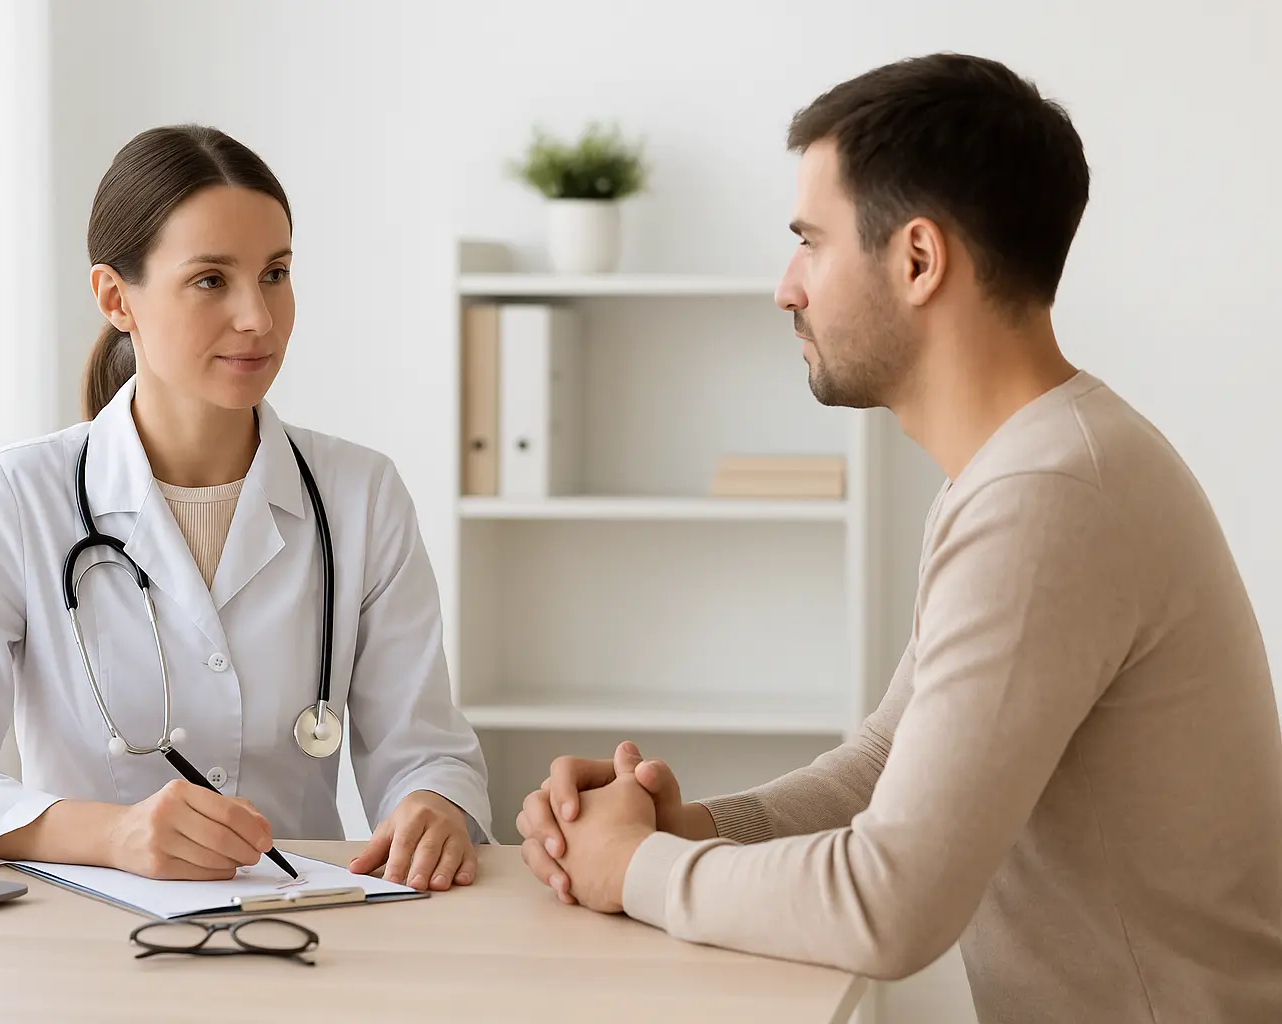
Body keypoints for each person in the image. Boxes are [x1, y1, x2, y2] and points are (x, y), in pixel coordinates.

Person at [515, 53, 1282, 1022]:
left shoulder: (1050, 496)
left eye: (810, 242)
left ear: (918, 259)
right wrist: (691, 827)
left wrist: (636, 867)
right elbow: (889, 757)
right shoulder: (1029, 469)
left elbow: (891, 902)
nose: (786, 287)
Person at [0, 124, 492, 893]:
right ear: (115, 298)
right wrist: (111, 834)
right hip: (80, 940)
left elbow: (425, 750)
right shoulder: (18, 496)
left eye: (276, 273)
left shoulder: (362, 494)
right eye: (210, 280)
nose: (257, 316)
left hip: (302, 927)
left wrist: (433, 804)